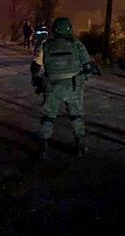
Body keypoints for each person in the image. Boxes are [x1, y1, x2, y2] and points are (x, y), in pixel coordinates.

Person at [30, 17, 95, 160]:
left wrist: (37, 81)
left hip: (52, 86)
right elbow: (88, 67)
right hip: (73, 86)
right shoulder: (77, 44)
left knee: (49, 117)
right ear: (69, 29)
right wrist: (83, 78)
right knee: (76, 116)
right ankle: (79, 146)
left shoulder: (46, 45)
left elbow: (35, 67)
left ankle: (43, 147)